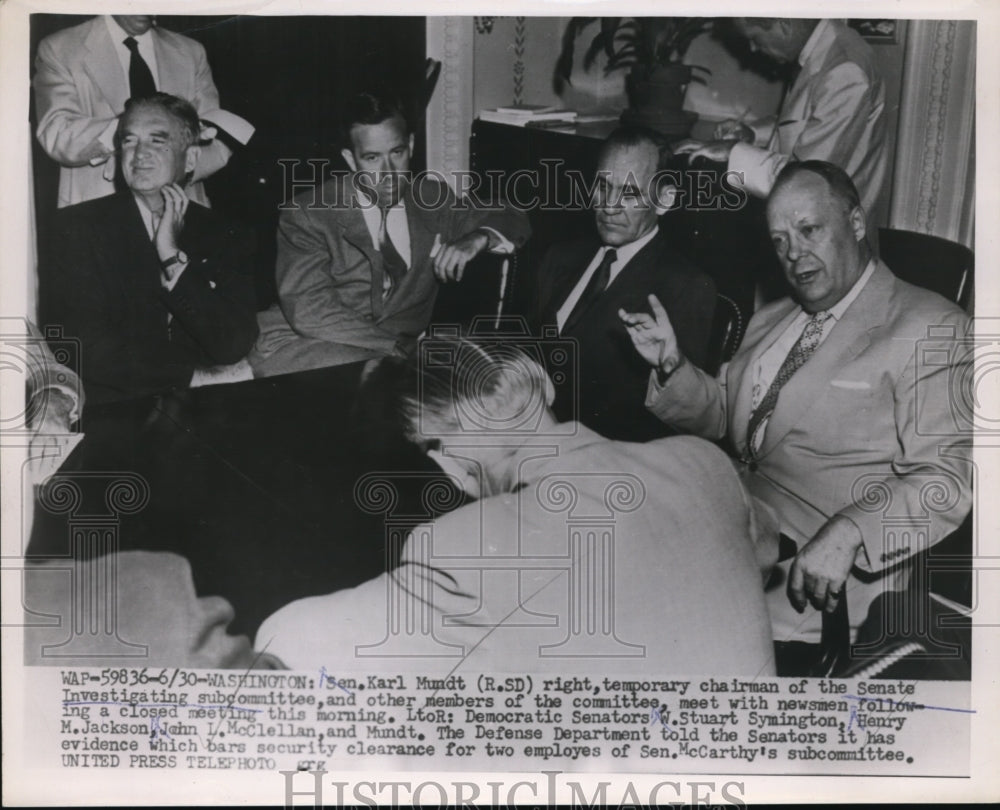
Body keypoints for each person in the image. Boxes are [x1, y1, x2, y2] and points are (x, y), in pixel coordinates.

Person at [256, 337, 777, 675]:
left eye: (430, 450)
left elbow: (298, 639)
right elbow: (766, 547)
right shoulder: (704, 463)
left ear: (449, 459)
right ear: (542, 388)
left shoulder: (465, 545)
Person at [620, 161, 972, 656]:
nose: (793, 255)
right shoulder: (774, 315)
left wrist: (853, 530)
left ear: (854, 222)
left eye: (809, 230)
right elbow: (727, 415)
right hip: (725, 541)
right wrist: (672, 365)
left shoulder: (931, 326)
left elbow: (946, 480)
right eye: (780, 240)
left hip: (815, 592)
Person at [249, 90, 530, 377]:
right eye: (372, 158)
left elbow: (511, 215)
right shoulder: (309, 213)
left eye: (397, 153)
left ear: (410, 144)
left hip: (392, 356)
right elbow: (309, 309)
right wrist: (397, 349)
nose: (389, 173)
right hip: (307, 343)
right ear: (350, 158)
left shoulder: (433, 198)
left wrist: (478, 237)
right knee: (392, 386)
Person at [40, 93, 259, 406]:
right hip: (117, 409)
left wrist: (170, 256)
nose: (139, 153)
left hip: (205, 408)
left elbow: (232, 344)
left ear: (192, 159)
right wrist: (193, 377)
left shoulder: (226, 233)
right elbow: (82, 347)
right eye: (128, 141)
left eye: (158, 140)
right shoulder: (76, 227)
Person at [533, 126, 715, 442]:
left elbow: (677, 423)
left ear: (664, 199)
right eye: (603, 186)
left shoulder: (687, 286)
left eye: (629, 193)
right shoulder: (558, 258)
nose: (609, 206)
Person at [675, 18, 888, 223]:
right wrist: (753, 133)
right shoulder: (824, 50)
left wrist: (733, 152)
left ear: (784, 25)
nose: (753, 48)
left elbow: (808, 178)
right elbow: (810, 120)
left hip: (830, 240)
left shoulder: (845, 70)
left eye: (755, 38)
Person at [34, 14, 249, 208]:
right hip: (97, 212)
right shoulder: (60, 47)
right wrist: (130, 130)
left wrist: (176, 172)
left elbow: (215, 142)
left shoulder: (191, 51)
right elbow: (57, 133)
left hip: (182, 207)